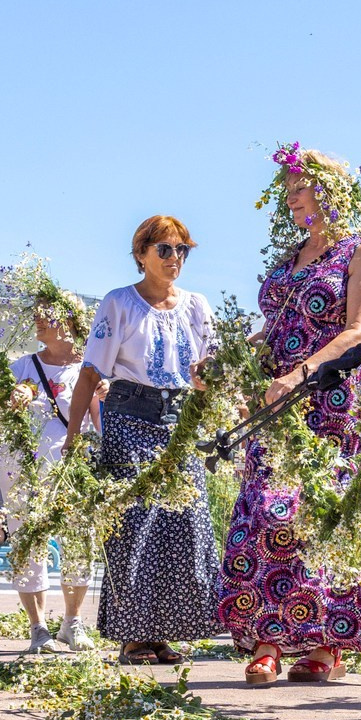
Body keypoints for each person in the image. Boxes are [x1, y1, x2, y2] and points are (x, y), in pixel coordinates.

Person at [217, 147, 361, 683]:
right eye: (288, 190)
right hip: (274, 404)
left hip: (330, 398)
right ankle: (269, 636)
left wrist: (302, 371)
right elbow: (271, 329)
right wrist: (231, 361)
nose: (291, 198)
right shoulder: (288, 259)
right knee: (263, 514)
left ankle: (326, 646)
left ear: (331, 191)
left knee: (318, 516)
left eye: (300, 187)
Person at [68, 216, 220, 663]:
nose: (176, 259)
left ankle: (164, 633)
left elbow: (208, 370)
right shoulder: (119, 303)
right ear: (141, 254)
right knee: (134, 526)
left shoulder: (196, 305)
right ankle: (133, 637)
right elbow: (92, 371)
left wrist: (212, 381)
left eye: (183, 251)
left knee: (182, 525)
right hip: (128, 414)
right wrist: (75, 435)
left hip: (180, 419)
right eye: (166, 250)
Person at [6, 299, 91, 652]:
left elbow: (101, 417)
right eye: (36, 314)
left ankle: (72, 622)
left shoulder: (90, 368)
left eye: (48, 316)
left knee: (78, 540)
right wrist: (10, 400)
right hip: (23, 466)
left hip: (73, 468)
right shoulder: (21, 367)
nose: (38, 321)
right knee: (27, 541)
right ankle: (38, 628)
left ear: (69, 322)